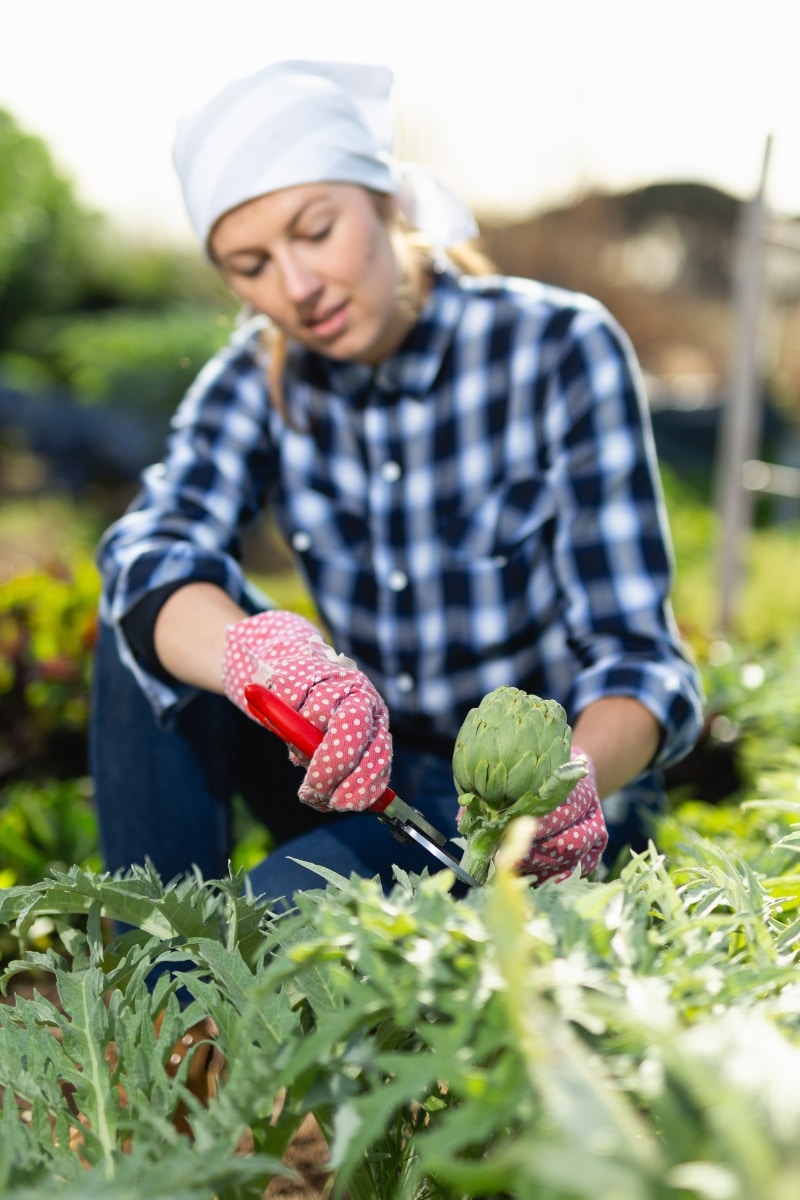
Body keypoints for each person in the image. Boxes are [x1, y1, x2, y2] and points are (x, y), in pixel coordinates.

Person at [90, 60, 704, 906]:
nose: (296, 288)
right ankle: (153, 953)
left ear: (383, 199)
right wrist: (258, 658)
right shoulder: (255, 376)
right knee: (148, 600)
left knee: (264, 940)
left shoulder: (557, 349)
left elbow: (640, 659)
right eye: (251, 263)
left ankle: (195, 978)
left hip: (531, 804)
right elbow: (153, 543)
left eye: (314, 231)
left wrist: (564, 785)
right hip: (366, 779)